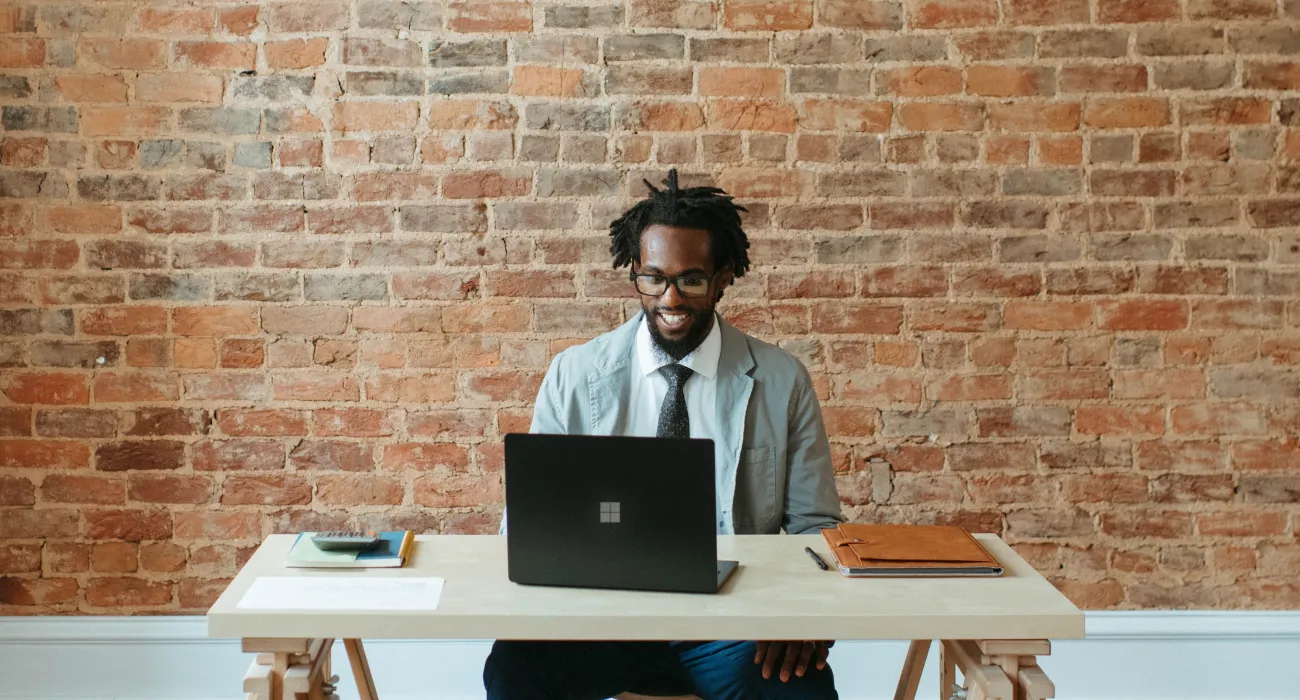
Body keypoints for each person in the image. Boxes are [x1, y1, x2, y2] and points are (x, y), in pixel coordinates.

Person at [483, 170, 844, 700]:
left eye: (691, 280)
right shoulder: (575, 374)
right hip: (602, 625)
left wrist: (805, 619)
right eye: (654, 279)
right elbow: (531, 519)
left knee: (800, 687)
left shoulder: (780, 380)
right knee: (513, 672)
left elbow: (817, 526)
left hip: (730, 630)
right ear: (634, 273)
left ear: (723, 277)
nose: (670, 298)